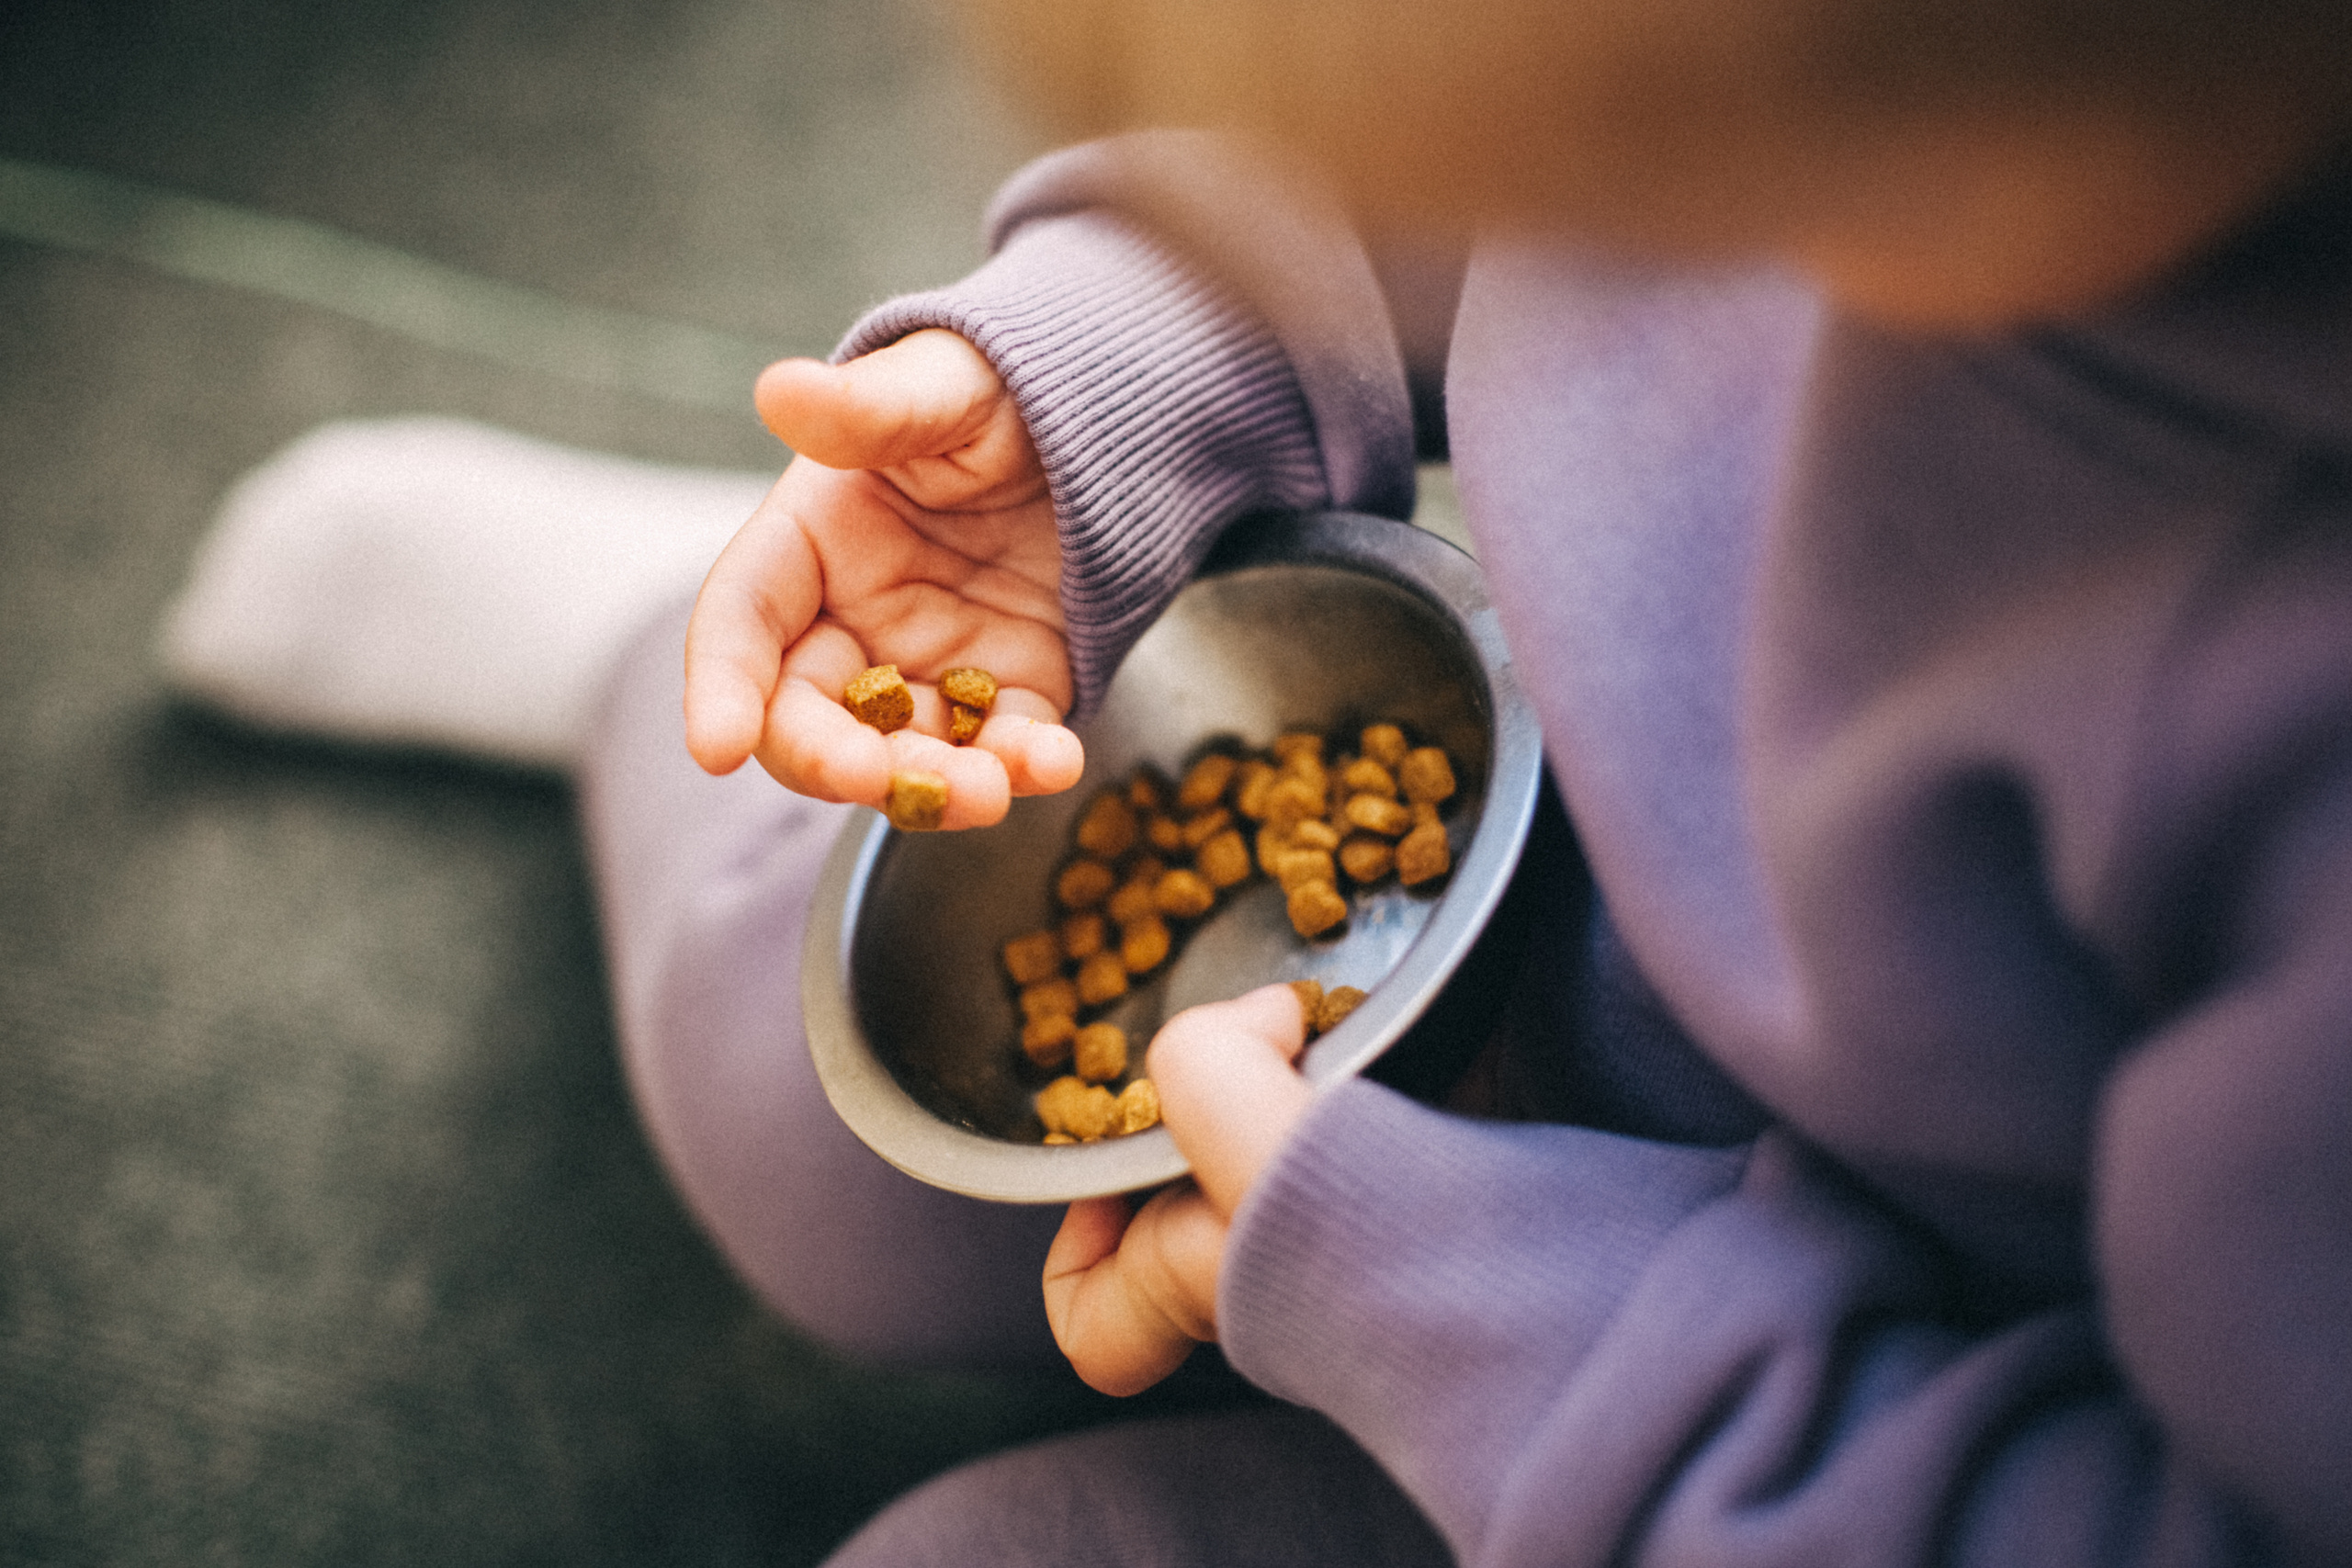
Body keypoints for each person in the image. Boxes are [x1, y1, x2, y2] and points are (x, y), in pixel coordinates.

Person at [164, 0, 2352, 1560]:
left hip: (1837, 1405)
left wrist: (1441, 1295)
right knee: (794, 1108)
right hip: (1585, 849)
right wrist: (1135, 357)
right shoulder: (1799, 81)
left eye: (1650, 189)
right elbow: (1454, 127)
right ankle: (639, 649)